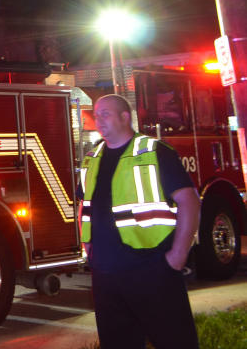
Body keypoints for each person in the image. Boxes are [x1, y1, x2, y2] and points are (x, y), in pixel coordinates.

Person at [80, 93, 200, 349]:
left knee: (175, 341)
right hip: (106, 276)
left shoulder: (154, 152)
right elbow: (85, 205)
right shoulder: (92, 159)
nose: (98, 120)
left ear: (125, 117)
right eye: (96, 114)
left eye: (105, 114)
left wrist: (178, 255)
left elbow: (189, 201)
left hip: (152, 270)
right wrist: (88, 247)